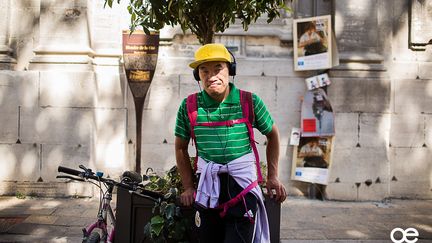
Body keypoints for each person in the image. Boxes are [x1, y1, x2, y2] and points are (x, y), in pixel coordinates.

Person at [174, 43, 287, 243]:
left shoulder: (250, 101)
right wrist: (188, 187)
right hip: (207, 190)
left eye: (218, 69)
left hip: (242, 189)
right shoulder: (189, 106)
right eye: (204, 70)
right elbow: (180, 147)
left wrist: (273, 176)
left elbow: (273, 135)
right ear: (197, 75)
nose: (211, 76)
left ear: (230, 70)